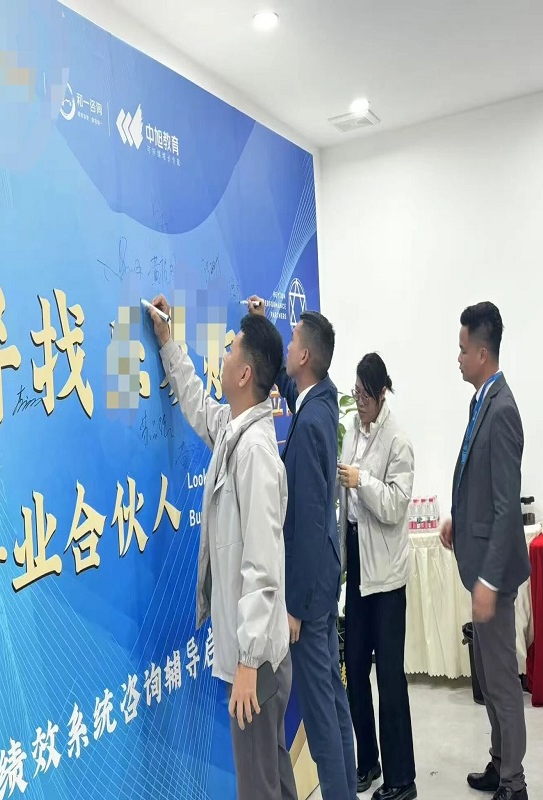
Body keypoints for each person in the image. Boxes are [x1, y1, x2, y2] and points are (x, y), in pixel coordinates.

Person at [149, 296, 298, 800]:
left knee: (258, 787)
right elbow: (198, 406)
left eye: (232, 350)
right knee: (273, 778)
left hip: (257, 663)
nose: (226, 356)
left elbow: (262, 566)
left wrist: (248, 663)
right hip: (260, 658)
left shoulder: (254, 453)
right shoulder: (237, 433)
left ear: (245, 373)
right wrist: (168, 343)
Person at [248, 296, 358, 800]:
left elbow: (311, 524)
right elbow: (288, 383)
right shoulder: (320, 400)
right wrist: (265, 325)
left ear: (306, 356)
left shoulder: (312, 422)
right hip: (322, 583)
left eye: (292, 341)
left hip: (309, 596)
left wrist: (293, 607)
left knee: (319, 709)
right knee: (332, 695)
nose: (288, 348)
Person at [440, 302, 529, 800]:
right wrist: (458, 516)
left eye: (461, 349)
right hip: (478, 564)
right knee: (489, 680)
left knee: (501, 681)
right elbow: (480, 482)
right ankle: (499, 762)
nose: (457, 357)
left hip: (492, 575)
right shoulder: (482, 402)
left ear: (481, 352)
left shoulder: (503, 410)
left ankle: (514, 782)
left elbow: (506, 507)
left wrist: (490, 581)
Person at [337, 353, 417, 800]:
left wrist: (361, 481)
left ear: (382, 392)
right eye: (356, 393)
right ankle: (367, 761)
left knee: (389, 676)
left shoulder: (398, 440)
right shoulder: (353, 431)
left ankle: (403, 779)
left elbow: (394, 506)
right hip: (358, 564)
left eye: (366, 395)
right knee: (354, 667)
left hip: (386, 576)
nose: (360, 402)